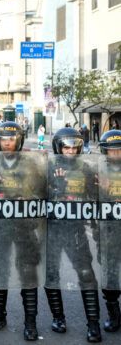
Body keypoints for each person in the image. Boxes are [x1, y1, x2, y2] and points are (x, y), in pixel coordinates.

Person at [0, 122, 45, 341]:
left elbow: (42, 191)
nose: (7, 143)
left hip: (25, 226)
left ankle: (30, 322)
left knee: (28, 274)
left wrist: (29, 198)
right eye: (3, 139)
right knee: (0, 271)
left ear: (18, 140)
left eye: (11, 139)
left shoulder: (31, 163)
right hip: (1, 225)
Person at [46, 127, 101, 342]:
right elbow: (34, 195)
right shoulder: (47, 168)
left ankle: (93, 323)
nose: (69, 151)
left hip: (76, 229)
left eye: (73, 147)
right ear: (58, 147)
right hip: (52, 228)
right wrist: (56, 188)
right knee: (51, 274)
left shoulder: (87, 169)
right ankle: (58, 317)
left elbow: (93, 199)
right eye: (65, 147)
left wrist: (100, 189)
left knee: (86, 274)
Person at [98, 130, 121, 333]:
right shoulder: (97, 171)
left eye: (119, 151)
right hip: (107, 232)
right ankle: (114, 315)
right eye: (111, 151)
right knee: (109, 276)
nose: (115, 155)